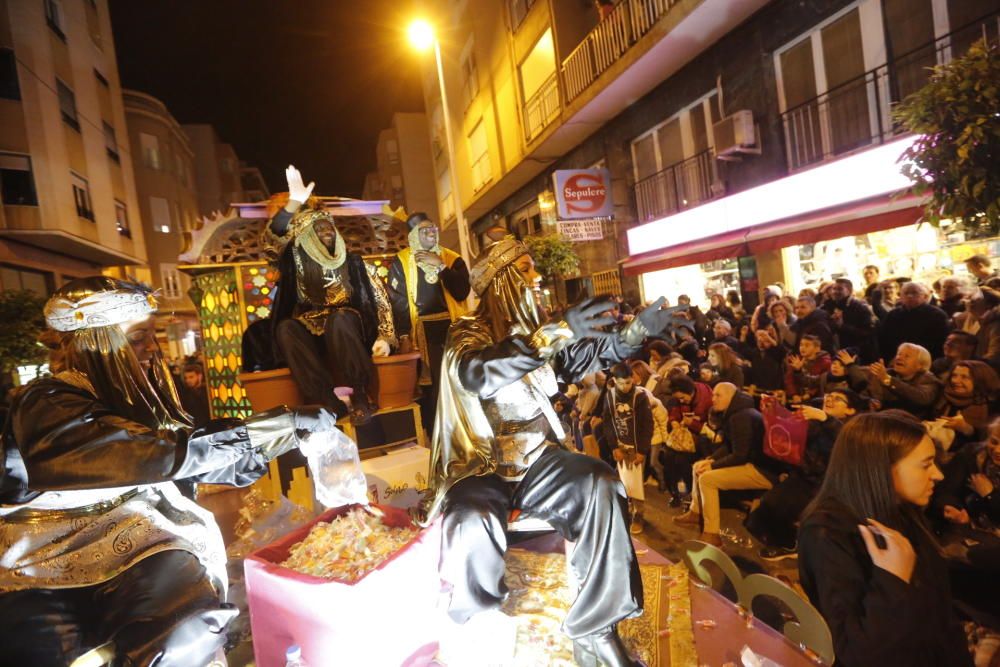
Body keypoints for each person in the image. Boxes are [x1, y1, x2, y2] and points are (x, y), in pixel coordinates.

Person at [0, 277, 340, 666]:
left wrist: (286, 433)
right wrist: (271, 427)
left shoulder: (133, 398)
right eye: (140, 336)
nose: (152, 347)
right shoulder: (45, 401)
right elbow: (154, 454)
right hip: (43, 558)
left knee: (184, 626)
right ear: (99, 340)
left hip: (138, 546)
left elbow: (189, 452)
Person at [421, 237, 682, 666]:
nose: (535, 276)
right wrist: (555, 332)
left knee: (599, 482)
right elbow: (478, 374)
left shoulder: (535, 333)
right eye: (524, 269)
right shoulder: (467, 333)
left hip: (538, 456)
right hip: (481, 465)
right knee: (471, 519)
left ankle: (596, 628)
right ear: (502, 282)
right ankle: (478, 626)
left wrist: (634, 334)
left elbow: (580, 356)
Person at [797, 412, 972, 667]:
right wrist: (892, 580)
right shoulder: (828, 534)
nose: (938, 475)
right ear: (879, 468)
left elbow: (938, 610)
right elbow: (859, 653)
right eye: (926, 464)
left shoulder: (901, 510)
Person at [265, 165, 397, 424]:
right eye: (319, 230)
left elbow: (380, 300)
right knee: (286, 329)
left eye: (329, 229)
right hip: (312, 327)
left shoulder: (354, 262)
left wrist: (386, 336)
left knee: (338, 320)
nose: (326, 233)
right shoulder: (295, 263)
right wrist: (293, 204)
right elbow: (271, 242)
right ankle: (325, 400)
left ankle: (360, 396)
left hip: (350, 326)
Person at [746, 388, 863, 560]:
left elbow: (844, 441)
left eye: (838, 399)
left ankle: (788, 545)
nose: (830, 399)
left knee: (777, 506)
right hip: (803, 477)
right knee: (760, 514)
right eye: (829, 395)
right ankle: (788, 538)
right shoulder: (817, 423)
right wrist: (776, 409)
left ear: (850, 410)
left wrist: (825, 418)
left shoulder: (851, 429)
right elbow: (794, 443)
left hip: (825, 486)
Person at [387, 211, 470, 433]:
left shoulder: (452, 258)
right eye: (425, 230)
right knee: (431, 387)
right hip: (422, 331)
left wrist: (441, 266)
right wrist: (403, 334)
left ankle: (464, 430)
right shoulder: (402, 261)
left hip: (452, 328)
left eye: (433, 228)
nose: (432, 233)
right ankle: (437, 435)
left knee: (457, 381)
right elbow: (399, 301)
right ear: (414, 234)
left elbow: (462, 292)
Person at [674, 383, 784, 546]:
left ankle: (712, 534)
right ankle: (696, 512)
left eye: (719, 395)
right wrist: (711, 460)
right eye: (713, 395)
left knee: (707, 479)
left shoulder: (741, 416)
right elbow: (730, 445)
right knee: (699, 465)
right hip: (751, 463)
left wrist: (713, 466)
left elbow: (740, 455)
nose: (713, 399)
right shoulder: (736, 412)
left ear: (731, 396)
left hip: (762, 470)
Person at [602, 363, 654, 534]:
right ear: (615, 381)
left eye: (629, 382)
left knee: (636, 483)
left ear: (633, 379)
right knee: (623, 481)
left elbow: (647, 425)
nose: (625, 387)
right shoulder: (609, 396)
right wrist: (614, 447)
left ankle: (639, 514)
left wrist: (642, 451)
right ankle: (625, 510)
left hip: (636, 447)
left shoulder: (640, 396)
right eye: (622, 383)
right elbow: (608, 422)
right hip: (620, 446)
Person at [848, 343, 942, 420]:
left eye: (907, 356)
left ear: (920, 365)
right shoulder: (886, 373)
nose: (899, 358)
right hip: (881, 419)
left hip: (909, 425)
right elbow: (866, 394)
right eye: (899, 354)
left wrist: (887, 380)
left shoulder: (929, 380)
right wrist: (871, 401)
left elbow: (921, 398)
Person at [878, 282, 951, 362]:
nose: (910, 296)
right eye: (906, 293)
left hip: (925, 360)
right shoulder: (893, 314)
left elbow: (940, 342)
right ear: (901, 297)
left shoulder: (937, 315)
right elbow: (884, 339)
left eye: (914, 293)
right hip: (896, 359)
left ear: (925, 296)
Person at [823, 277, 878, 363]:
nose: (835, 292)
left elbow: (868, 333)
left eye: (840, 289)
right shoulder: (829, 306)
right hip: (837, 353)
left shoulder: (860, 308)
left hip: (858, 354)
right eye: (834, 289)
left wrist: (843, 326)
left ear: (849, 291)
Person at [784, 334, 831, 402]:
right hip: (796, 398)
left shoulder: (825, 363)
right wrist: (794, 395)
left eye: (807, 345)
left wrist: (808, 395)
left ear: (817, 348)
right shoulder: (797, 360)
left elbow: (819, 383)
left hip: (816, 400)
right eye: (801, 345)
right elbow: (789, 379)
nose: (802, 348)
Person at [179, 361, 210, 428]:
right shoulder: (185, 394)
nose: (188, 380)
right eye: (186, 378)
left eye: (191, 377)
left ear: (200, 376)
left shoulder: (209, 391)